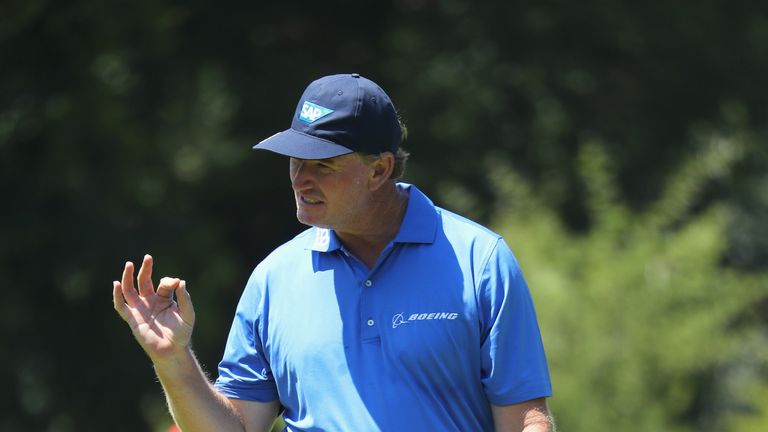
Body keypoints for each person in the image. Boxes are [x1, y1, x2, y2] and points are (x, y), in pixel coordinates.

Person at [113, 73, 554, 431]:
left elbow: (525, 419)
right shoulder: (273, 279)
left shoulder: (479, 261)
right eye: (294, 161)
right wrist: (173, 361)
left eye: (323, 165)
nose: (301, 180)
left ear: (379, 169)